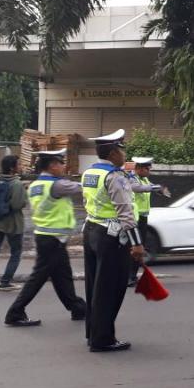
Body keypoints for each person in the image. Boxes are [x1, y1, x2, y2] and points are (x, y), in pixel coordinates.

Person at [4, 149, 87, 327]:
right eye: (61, 162)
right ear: (52, 166)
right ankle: (15, 312)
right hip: (52, 240)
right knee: (38, 278)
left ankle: (77, 308)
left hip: (48, 237)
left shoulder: (35, 185)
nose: (64, 166)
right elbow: (82, 187)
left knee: (62, 276)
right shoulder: (56, 186)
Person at [81, 129, 145, 352]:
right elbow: (126, 212)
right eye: (122, 149)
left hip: (91, 230)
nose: (124, 154)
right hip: (111, 236)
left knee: (94, 286)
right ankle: (103, 339)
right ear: (113, 153)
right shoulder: (114, 176)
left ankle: (93, 332)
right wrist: (137, 243)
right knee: (110, 288)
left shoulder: (90, 173)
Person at [0, 155, 27, 293]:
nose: (21, 166)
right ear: (12, 168)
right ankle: (5, 283)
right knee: (15, 253)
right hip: (13, 225)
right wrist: (24, 192)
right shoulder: (17, 183)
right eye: (19, 164)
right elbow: (17, 204)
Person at [126, 157, 169, 287]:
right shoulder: (131, 178)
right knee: (135, 247)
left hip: (143, 217)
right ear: (138, 168)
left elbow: (149, 187)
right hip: (134, 218)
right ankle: (129, 277)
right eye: (146, 169)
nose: (149, 171)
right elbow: (138, 188)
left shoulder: (144, 179)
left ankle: (132, 276)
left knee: (140, 247)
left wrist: (160, 191)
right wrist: (156, 187)